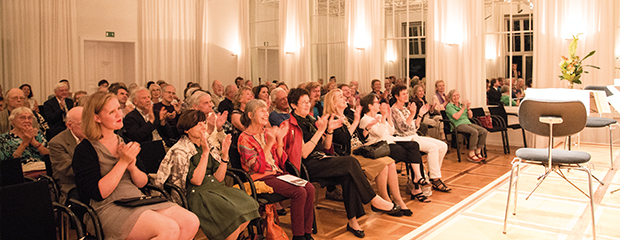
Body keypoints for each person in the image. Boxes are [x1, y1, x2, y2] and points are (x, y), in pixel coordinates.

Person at [72, 91, 199, 240]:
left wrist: (132, 166)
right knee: (169, 229)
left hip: (136, 200)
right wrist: (123, 162)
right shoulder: (85, 150)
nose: (119, 114)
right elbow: (99, 193)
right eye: (111, 112)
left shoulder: (124, 141)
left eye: (119, 109)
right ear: (97, 118)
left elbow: (143, 182)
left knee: (191, 221)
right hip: (107, 208)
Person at [281, 88, 401, 238]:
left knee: (348, 176)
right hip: (306, 166)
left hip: (322, 159)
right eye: (303, 102)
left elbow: (326, 147)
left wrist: (329, 130)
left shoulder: (311, 120)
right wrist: (320, 131)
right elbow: (303, 153)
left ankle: (353, 221)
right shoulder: (289, 125)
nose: (307, 104)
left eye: (308, 101)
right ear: (293, 105)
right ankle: (373, 199)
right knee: (350, 162)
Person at [169, 110, 259, 240]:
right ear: (186, 130)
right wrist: (205, 153)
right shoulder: (180, 150)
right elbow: (197, 181)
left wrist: (224, 155)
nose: (203, 127)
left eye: (203, 123)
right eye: (197, 124)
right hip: (198, 194)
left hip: (215, 188)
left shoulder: (208, 144)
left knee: (249, 203)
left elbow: (219, 178)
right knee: (234, 213)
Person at [324, 89, 412, 216]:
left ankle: (397, 199)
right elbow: (343, 140)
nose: (344, 98)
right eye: (340, 97)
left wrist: (367, 128)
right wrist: (356, 121)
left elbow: (359, 137)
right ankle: (385, 200)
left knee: (390, 163)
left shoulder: (347, 116)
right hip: (349, 155)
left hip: (360, 149)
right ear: (333, 102)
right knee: (383, 164)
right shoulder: (332, 119)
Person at [238, 99, 314, 240]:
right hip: (259, 178)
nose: (266, 114)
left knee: (309, 188)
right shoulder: (244, 138)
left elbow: (280, 161)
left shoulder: (267, 132)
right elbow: (256, 167)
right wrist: (270, 143)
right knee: (299, 192)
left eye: (266, 111)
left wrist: (279, 141)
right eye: (261, 111)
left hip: (276, 173)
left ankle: (307, 232)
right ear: (250, 115)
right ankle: (298, 236)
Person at [358, 93, 429, 202]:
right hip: (379, 146)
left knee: (414, 145)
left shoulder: (379, 116)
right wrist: (382, 119)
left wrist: (388, 116)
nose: (380, 104)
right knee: (412, 154)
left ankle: (418, 177)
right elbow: (381, 134)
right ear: (370, 106)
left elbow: (391, 131)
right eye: (377, 102)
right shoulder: (365, 119)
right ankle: (416, 187)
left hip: (391, 141)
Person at [390, 85, 451, 193]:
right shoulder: (393, 110)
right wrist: (413, 113)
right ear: (396, 96)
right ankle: (435, 179)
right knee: (432, 148)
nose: (406, 96)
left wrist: (420, 114)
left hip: (414, 135)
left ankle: (432, 175)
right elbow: (403, 128)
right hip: (405, 139)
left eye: (406, 93)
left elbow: (415, 126)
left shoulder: (405, 109)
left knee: (443, 146)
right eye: (403, 94)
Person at [48, 107, 84, 204]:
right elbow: (68, 169)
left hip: (94, 180)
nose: (88, 126)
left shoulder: (93, 137)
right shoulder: (57, 143)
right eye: (82, 123)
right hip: (72, 185)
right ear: (69, 125)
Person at [0, 107, 50, 177]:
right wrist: (24, 144)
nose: (27, 121)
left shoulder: (38, 134)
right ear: (12, 121)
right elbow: (7, 165)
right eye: (22, 118)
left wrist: (34, 142)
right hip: (19, 173)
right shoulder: (4, 139)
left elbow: (50, 156)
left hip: (42, 169)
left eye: (29, 118)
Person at [446, 90, 488, 163]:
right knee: (474, 132)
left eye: (457, 95)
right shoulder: (449, 106)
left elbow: (470, 116)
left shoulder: (461, 105)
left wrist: (468, 108)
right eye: (454, 96)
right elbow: (456, 117)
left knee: (483, 131)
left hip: (467, 122)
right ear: (450, 97)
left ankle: (478, 151)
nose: (456, 97)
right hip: (457, 124)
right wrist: (463, 108)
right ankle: (471, 153)